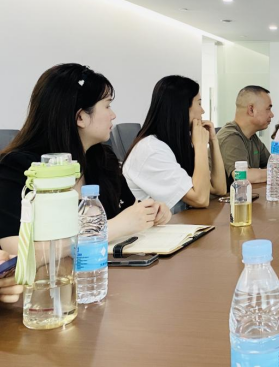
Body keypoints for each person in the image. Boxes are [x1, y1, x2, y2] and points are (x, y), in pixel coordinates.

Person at [0, 64, 171, 256]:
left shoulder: (103, 159)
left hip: (112, 268)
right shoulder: (18, 167)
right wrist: (109, 229)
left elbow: (129, 212)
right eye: (107, 106)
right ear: (80, 117)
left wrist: (152, 212)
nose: (113, 115)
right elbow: (14, 248)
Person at [123, 76, 227, 212]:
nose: (202, 111)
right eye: (199, 103)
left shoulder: (172, 145)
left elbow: (219, 189)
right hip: (157, 226)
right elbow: (200, 199)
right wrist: (200, 146)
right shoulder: (152, 150)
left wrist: (213, 140)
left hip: (180, 222)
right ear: (182, 108)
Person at [217, 86, 274, 184]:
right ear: (251, 110)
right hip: (225, 194)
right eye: (268, 109)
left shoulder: (252, 136)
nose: (272, 115)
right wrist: (277, 170)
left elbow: (270, 164)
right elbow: (244, 176)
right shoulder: (231, 137)